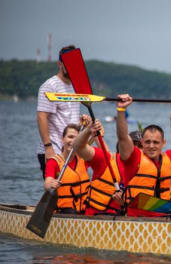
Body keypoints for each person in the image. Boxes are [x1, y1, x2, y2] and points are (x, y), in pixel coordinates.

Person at [116, 94, 171, 217]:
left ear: (163, 143)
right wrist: (121, 110)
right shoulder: (134, 158)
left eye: (156, 142)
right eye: (147, 142)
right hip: (135, 221)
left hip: (163, 222)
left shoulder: (170, 159)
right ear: (141, 143)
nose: (151, 146)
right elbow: (122, 138)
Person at [37, 45, 80, 178]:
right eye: (68, 64)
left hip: (71, 150)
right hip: (53, 149)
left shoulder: (75, 86)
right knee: (54, 191)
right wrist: (48, 147)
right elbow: (41, 117)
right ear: (60, 63)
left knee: (68, 193)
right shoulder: (50, 86)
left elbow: (70, 116)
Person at [73, 119, 126, 216]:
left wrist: (125, 203)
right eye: (131, 145)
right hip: (96, 218)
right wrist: (89, 129)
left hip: (125, 219)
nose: (134, 149)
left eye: (139, 146)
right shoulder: (107, 160)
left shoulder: (148, 168)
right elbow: (78, 147)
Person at [44, 123, 90, 214]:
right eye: (70, 137)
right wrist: (51, 185)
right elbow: (47, 182)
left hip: (84, 211)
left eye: (76, 138)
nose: (72, 141)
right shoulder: (54, 162)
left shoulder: (84, 159)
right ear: (62, 139)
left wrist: (89, 128)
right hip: (64, 212)